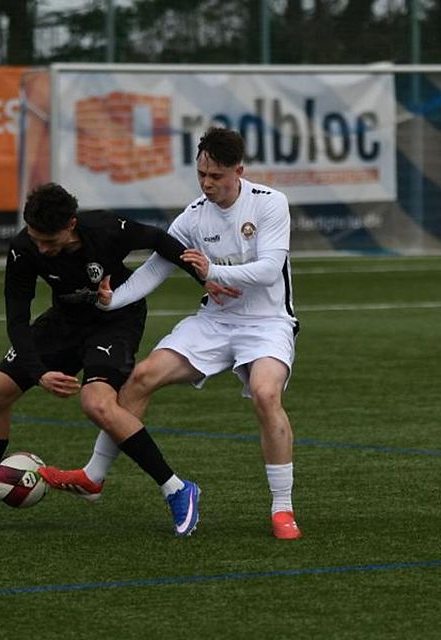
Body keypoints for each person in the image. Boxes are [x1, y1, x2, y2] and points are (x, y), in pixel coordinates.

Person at [40, 127, 303, 540]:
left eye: (216, 176)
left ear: (239, 171)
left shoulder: (270, 204)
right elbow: (154, 270)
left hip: (267, 324)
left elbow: (270, 269)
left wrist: (212, 270)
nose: (207, 183)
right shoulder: (194, 215)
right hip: (214, 323)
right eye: (201, 174)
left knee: (267, 394)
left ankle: (282, 509)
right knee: (142, 377)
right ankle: (93, 476)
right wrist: (111, 301)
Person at [0, 182, 227, 537]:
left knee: (97, 404)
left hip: (116, 321)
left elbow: (160, 241)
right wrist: (39, 373)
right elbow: (16, 319)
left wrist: (205, 279)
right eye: (35, 238)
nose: (40, 247)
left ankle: (177, 489)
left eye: (49, 241)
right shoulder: (23, 248)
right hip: (65, 322)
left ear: (70, 224)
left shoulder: (104, 229)